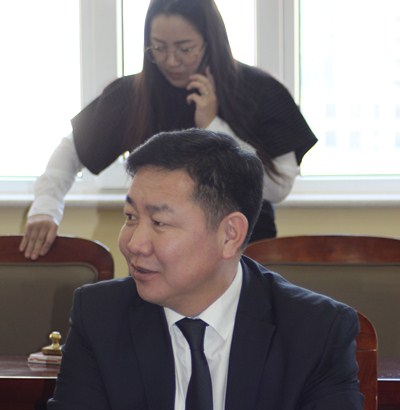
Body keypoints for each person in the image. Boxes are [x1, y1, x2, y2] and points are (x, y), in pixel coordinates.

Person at [38, 128, 370, 410]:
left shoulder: (314, 327)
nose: (134, 243)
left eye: (159, 222)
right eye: (130, 217)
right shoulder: (101, 314)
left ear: (230, 234)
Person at [20, 0, 317, 260]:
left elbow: (279, 188)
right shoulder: (134, 94)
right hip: (156, 256)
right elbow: (71, 150)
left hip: (243, 255)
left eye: (185, 49)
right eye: (159, 48)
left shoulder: (261, 91)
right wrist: (46, 208)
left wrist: (214, 126)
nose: (171, 61)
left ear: (210, 41)